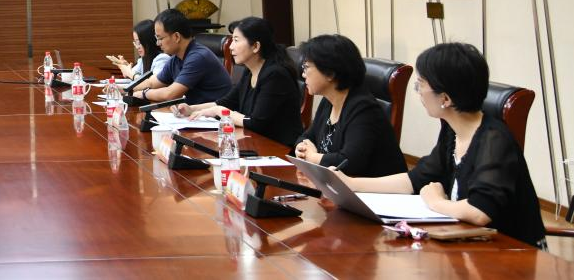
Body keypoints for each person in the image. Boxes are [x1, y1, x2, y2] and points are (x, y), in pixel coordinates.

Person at [338, 43, 546, 249]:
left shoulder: (494, 140)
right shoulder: (452, 131)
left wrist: (437, 202)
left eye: (421, 85)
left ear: (445, 98)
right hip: (469, 245)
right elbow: (415, 179)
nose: (419, 92)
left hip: (511, 254)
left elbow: (480, 212)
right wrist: (351, 184)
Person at [172, 16, 304, 146]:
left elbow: (255, 123)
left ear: (255, 46)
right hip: (253, 141)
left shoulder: (275, 75)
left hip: (278, 148)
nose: (231, 47)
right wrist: (191, 109)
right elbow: (226, 102)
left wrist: (220, 111)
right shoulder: (250, 71)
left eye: (236, 40)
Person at [292, 34, 406, 177]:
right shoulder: (328, 101)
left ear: (330, 73)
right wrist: (301, 148)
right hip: (336, 183)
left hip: (374, 188)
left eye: (306, 67)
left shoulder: (364, 109)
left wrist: (312, 157)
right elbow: (306, 136)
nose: (303, 74)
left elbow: (350, 163)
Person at [131, 9, 233, 105]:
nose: (158, 43)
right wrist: (126, 89)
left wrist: (144, 94)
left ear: (176, 37)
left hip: (217, 115)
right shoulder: (175, 59)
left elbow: (170, 94)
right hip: (195, 112)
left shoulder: (197, 57)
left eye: (160, 38)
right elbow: (151, 83)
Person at [106, 18, 169, 83]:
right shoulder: (143, 59)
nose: (137, 47)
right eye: (135, 42)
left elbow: (153, 83)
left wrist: (129, 72)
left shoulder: (162, 58)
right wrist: (125, 67)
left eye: (139, 42)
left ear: (149, 41)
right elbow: (131, 76)